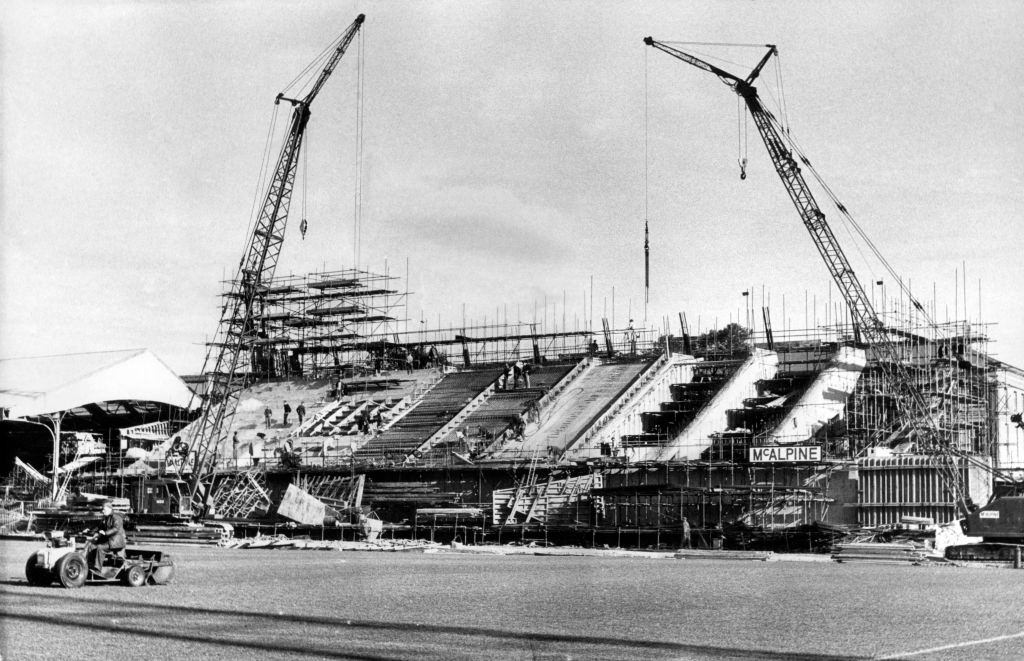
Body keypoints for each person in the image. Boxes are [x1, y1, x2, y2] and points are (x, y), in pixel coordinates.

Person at [91, 501, 126, 572]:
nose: (102, 511)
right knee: (91, 546)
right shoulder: (106, 518)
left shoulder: (116, 517)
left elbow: (115, 528)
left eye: (104, 509)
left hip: (115, 542)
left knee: (100, 548)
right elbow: (99, 527)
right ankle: (90, 564)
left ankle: (97, 568)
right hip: (109, 541)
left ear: (109, 509)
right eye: (102, 510)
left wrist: (105, 533)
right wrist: (90, 530)